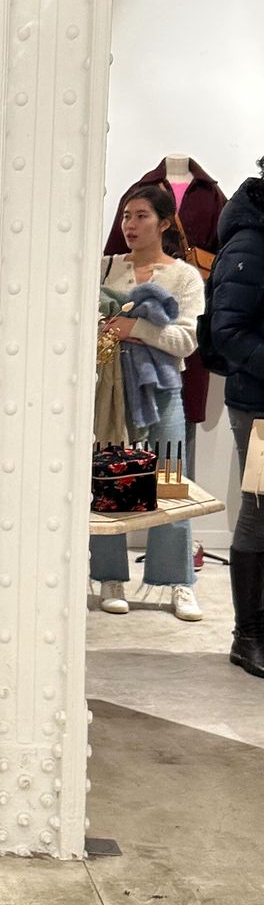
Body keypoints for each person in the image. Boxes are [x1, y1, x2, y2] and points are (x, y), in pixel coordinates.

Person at [90, 184, 205, 621]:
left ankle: (178, 581)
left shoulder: (184, 276)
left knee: (171, 484)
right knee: (108, 482)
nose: (130, 225)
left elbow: (185, 341)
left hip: (163, 390)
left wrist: (133, 329)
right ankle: (109, 576)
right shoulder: (105, 267)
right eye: (126, 216)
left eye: (141, 216)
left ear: (164, 222)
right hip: (109, 391)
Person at [204, 159, 264, 677]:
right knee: (261, 509)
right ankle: (249, 636)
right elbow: (228, 332)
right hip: (259, 403)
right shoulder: (249, 243)